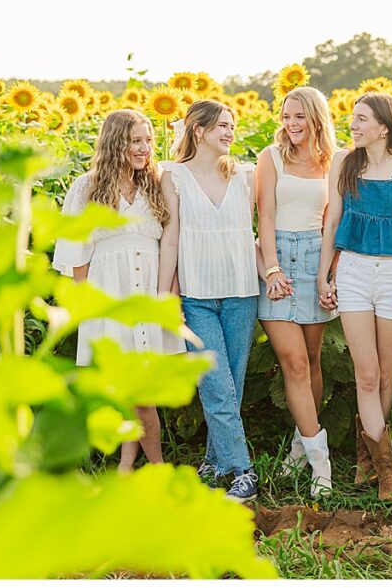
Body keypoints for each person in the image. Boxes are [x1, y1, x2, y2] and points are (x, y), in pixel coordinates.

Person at [52, 108, 184, 473]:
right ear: (115, 143)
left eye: (148, 141)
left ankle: (146, 466)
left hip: (149, 292)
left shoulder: (157, 183)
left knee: (139, 393)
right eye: (136, 141)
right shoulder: (87, 187)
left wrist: (169, 297)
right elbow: (77, 254)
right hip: (110, 295)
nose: (144, 149)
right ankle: (143, 465)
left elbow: (174, 243)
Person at [317, 92, 392, 501]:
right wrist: (322, 275)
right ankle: (386, 471)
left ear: (384, 125)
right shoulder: (345, 162)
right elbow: (332, 220)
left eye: (362, 119)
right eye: (353, 118)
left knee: (384, 373)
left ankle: (368, 457)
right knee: (365, 373)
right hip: (355, 272)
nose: (353, 124)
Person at [158, 99, 260, 502]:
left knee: (230, 385)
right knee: (215, 385)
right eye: (222, 125)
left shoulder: (246, 175)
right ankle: (244, 472)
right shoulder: (174, 176)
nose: (230, 132)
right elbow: (171, 237)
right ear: (197, 130)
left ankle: (216, 463)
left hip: (241, 291)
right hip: (197, 297)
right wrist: (166, 293)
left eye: (233, 126)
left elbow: (256, 229)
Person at [255, 87, 338, 498]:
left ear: (316, 118)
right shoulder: (270, 158)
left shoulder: (331, 161)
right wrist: (270, 269)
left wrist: (327, 275)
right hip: (277, 259)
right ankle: (322, 463)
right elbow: (265, 216)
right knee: (294, 363)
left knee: (313, 361)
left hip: (314, 258)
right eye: (286, 116)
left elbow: (330, 223)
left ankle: (299, 446)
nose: (291, 124)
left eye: (299, 117)